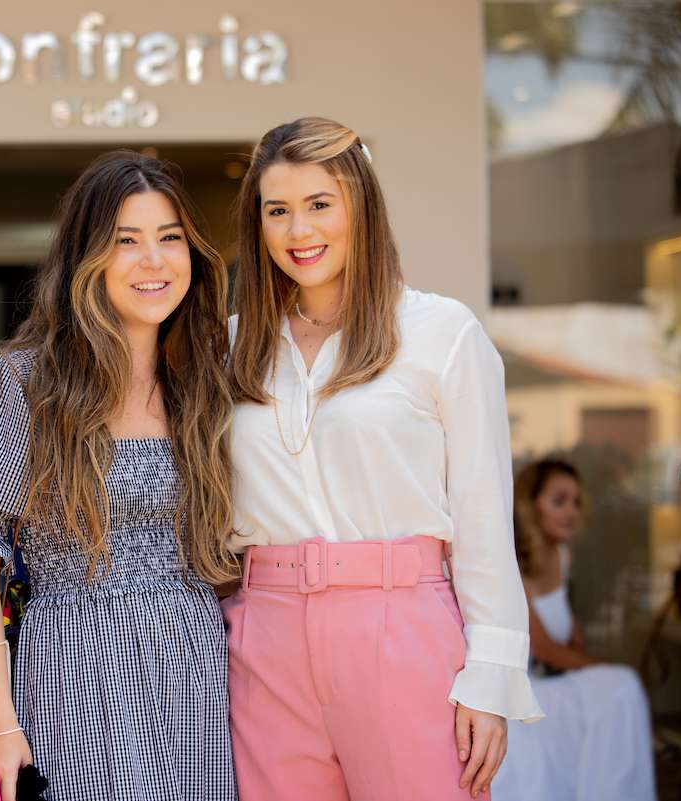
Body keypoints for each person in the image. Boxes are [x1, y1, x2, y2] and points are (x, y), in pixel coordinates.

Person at [223, 116, 544, 801]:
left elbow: (484, 517)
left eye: (319, 204)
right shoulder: (229, 347)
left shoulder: (440, 333)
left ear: (360, 206)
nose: (298, 230)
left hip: (403, 629)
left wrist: (489, 674)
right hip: (265, 637)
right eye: (277, 210)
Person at [0, 151, 238, 801]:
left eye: (169, 239)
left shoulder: (205, 379)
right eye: (126, 242)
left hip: (193, 664)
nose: (153, 260)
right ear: (86, 258)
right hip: (77, 663)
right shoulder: (23, 381)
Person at [492, 458, 656, 801]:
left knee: (619, 690)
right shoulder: (512, 568)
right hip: (524, 693)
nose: (572, 511)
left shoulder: (561, 557)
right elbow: (547, 650)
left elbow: (570, 642)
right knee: (621, 686)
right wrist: (607, 668)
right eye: (559, 500)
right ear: (530, 505)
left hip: (552, 683)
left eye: (577, 502)